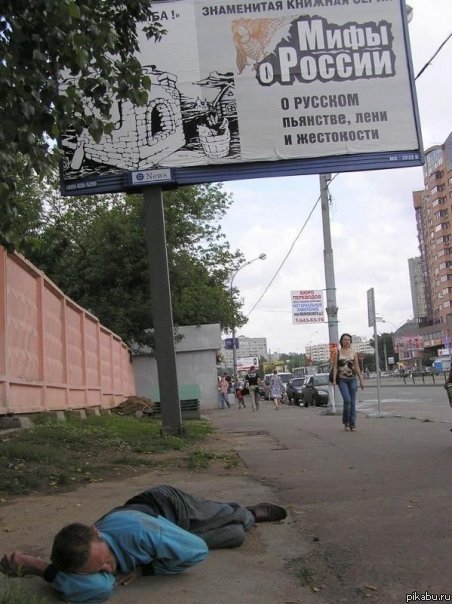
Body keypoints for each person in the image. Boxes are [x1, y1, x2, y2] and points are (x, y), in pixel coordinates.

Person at [0, 485, 287, 603]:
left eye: (107, 560)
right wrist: (42, 568)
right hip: (164, 535)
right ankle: (240, 525)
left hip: (169, 506)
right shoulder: (86, 558)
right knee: (235, 537)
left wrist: (144, 570)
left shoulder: (137, 530)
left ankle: (250, 513)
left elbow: (198, 552)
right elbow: (98, 589)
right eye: (100, 569)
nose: (109, 569)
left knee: (226, 515)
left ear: (97, 533)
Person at [332, 333, 364, 431]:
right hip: (342, 380)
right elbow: (335, 367)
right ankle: (346, 421)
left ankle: (352, 424)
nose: (347, 341)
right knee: (347, 400)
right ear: (341, 341)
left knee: (352, 402)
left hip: (352, 379)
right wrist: (334, 380)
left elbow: (357, 367)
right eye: (345, 339)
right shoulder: (338, 353)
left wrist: (361, 380)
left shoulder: (354, 352)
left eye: (348, 340)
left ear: (350, 341)